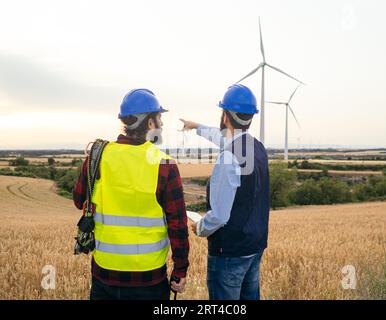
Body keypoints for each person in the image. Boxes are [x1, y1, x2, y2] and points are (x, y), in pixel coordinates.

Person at [73, 88, 189, 300]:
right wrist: (180, 269)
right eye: (159, 118)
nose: (162, 124)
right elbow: (178, 225)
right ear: (150, 123)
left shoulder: (97, 156)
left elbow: (78, 199)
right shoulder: (164, 164)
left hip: (104, 275)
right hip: (149, 279)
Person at [180, 84, 269, 300]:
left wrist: (200, 227)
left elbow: (219, 215)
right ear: (250, 117)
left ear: (225, 116)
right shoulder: (257, 147)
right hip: (254, 247)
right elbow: (226, 139)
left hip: (230, 254)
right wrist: (197, 126)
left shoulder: (229, 158)